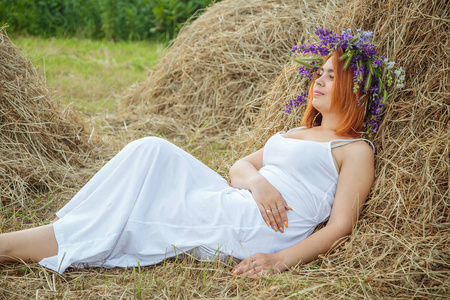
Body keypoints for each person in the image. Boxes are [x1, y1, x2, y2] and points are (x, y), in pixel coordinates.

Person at [0, 28, 403, 276]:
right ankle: (58, 230)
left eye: (333, 75)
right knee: (151, 149)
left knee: (139, 213)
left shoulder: (353, 149)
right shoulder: (299, 130)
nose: (319, 78)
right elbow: (240, 165)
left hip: (257, 227)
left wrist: (278, 261)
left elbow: (339, 227)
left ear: (355, 90)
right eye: (320, 71)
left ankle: (15, 244)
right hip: (243, 198)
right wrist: (258, 183)